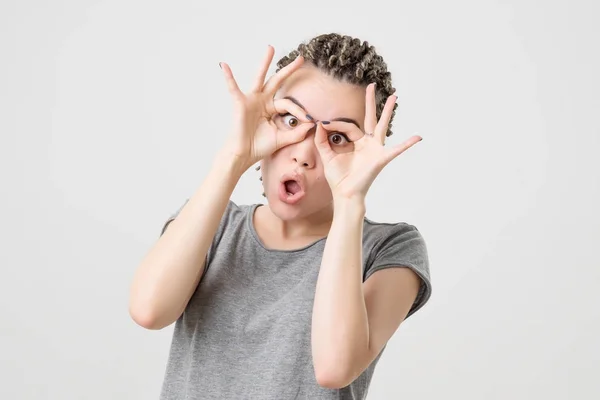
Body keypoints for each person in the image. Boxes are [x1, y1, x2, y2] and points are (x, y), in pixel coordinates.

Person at [129, 32, 432, 400]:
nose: (305, 153)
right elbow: (148, 310)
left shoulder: (389, 249)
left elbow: (335, 368)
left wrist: (350, 198)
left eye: (337, 138)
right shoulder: (214, 224)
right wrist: (232, 160)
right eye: (290, 120)